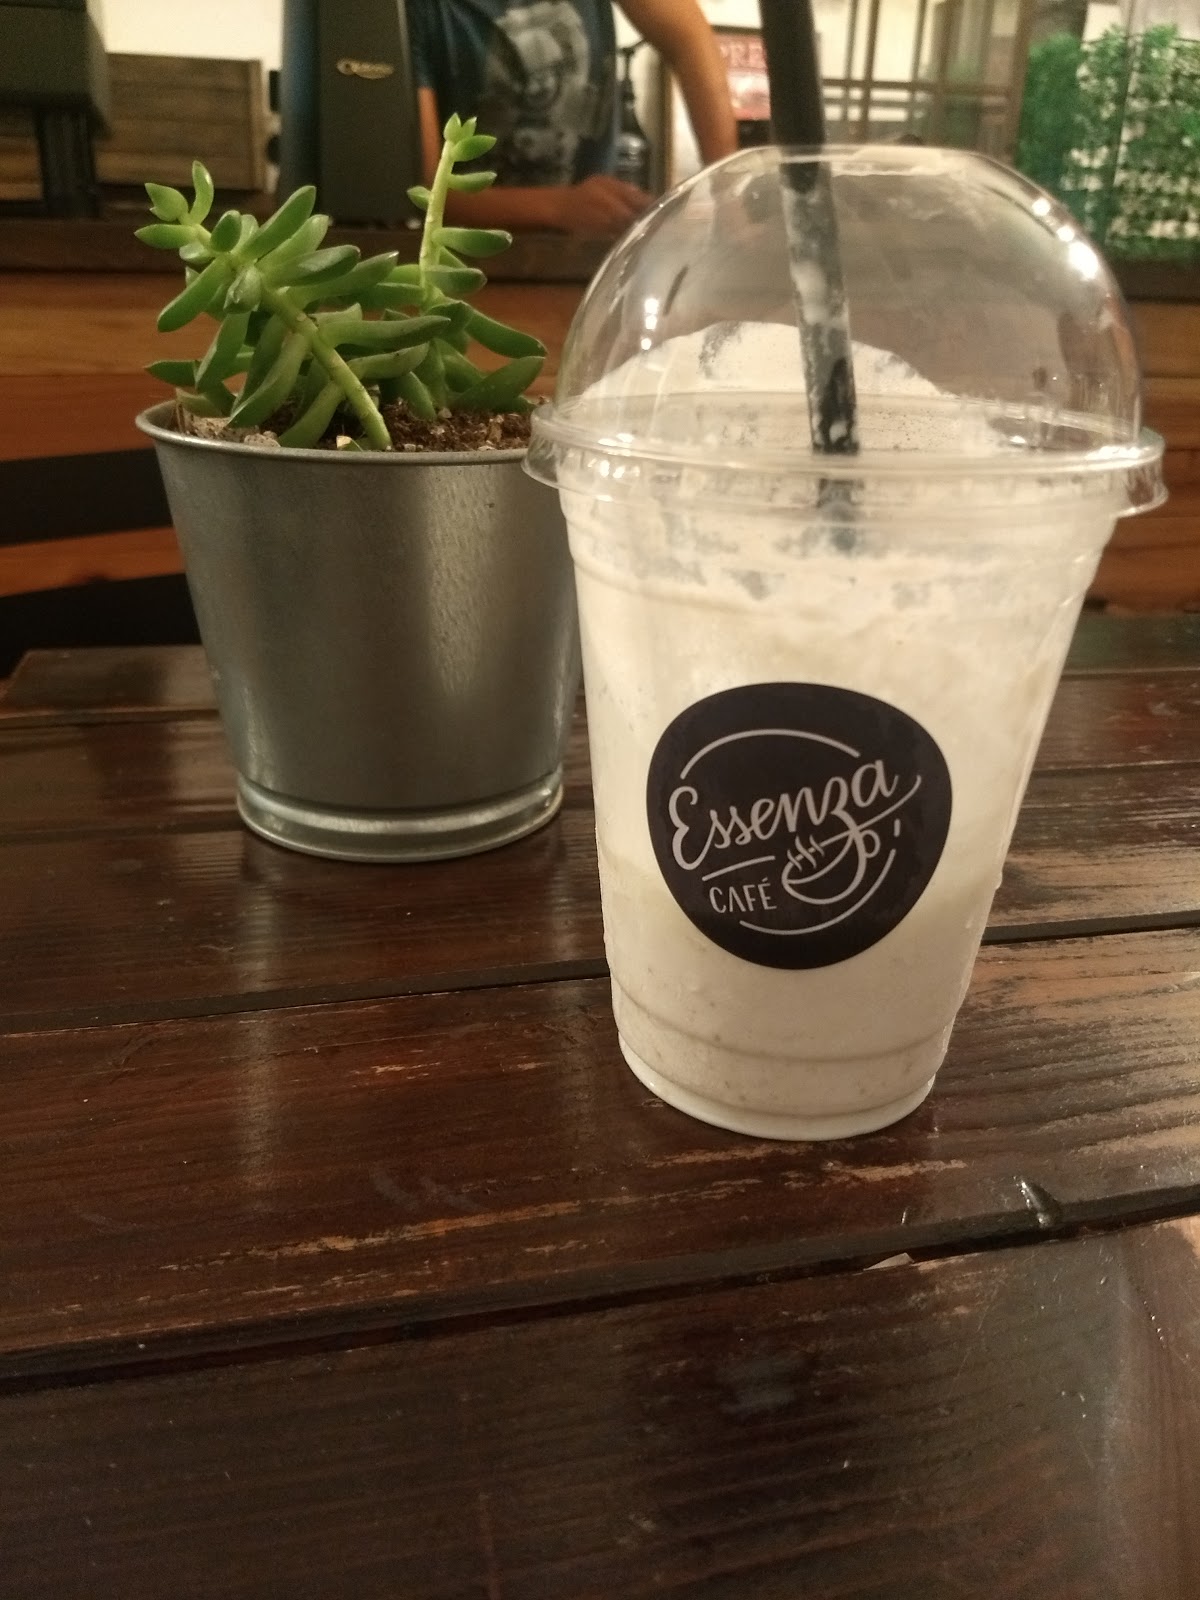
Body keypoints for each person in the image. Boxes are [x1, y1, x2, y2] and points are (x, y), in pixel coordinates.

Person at [407, 0, 738, 234]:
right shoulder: (412, 9)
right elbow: (424, 192)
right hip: (465, 266)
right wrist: (558, 208)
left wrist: (727, 192)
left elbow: (689, 41)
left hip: (586, 255)